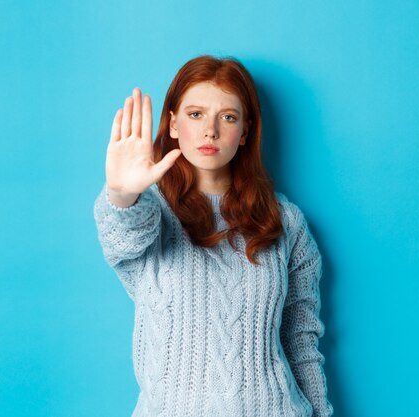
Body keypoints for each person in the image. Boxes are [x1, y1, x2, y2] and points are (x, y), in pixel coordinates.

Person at [93, 55, 333, 417]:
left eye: (228, 117)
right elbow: (121, 234)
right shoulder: (148, 210)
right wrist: (122, 194)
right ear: (172, 123)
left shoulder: (285, 220)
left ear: (245, 131)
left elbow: (300, 341)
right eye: (195, 114)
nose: (211, 130)